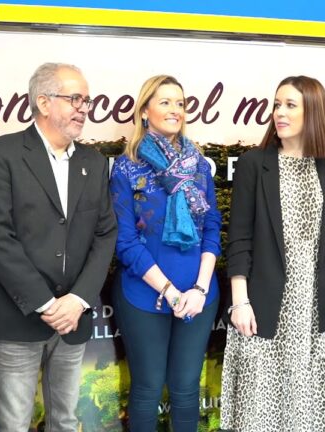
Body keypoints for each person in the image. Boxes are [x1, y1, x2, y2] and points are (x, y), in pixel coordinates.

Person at [0, 63, 117, 432]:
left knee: (66, 421)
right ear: (43, 102)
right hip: (17, 316)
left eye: (86, 100)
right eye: (74, 98)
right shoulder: (2, 155)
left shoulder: (94, 161)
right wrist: (46, 304)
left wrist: (77, 300)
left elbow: (105, 235)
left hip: (74, 318)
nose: (83, 108)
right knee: (12, 424)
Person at [220, 75, 325, 431]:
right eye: (277, 104)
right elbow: (239, 239)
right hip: (263, 305)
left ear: (312, 112)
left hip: (310, 310)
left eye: (290, 105)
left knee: (303, 411)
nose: (279, 112)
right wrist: (240, 302)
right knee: (258, 412)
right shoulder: (255, 164)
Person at [109, 75, 221, 431]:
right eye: (165, 102)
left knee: (187, 389)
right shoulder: (126, 169)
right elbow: (125, 242)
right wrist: (170, 292)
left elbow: (212, 229)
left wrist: (200, 289)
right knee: (147, 389)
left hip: (199, 296)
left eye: (180, 103)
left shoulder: (199, 166)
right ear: (145, 111)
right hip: (145, 295)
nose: (175, 110)